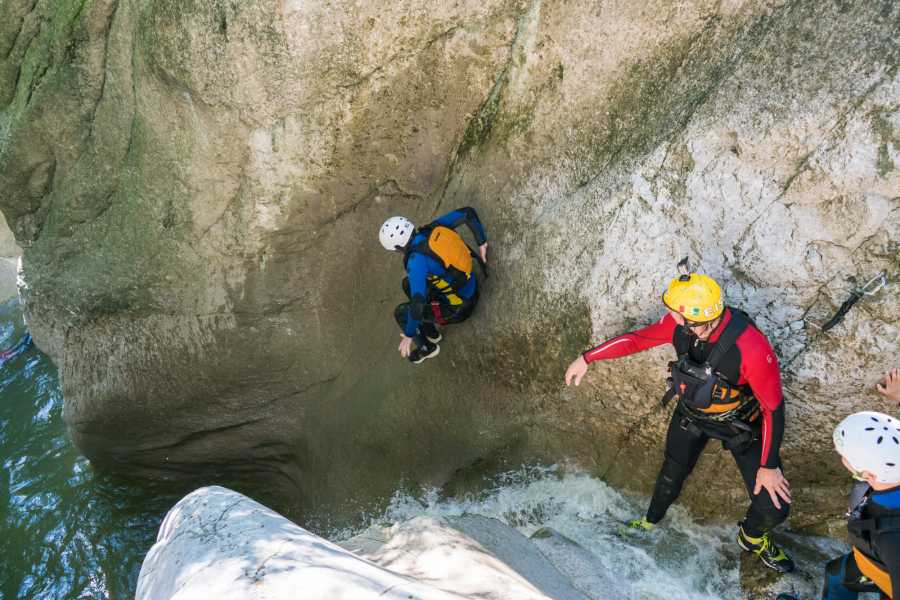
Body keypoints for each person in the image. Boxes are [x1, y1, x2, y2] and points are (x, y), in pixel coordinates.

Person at [564, 267, 795, 572]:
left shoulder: (750, 347)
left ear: (698, 322)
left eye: (676, 314)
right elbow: (637, 340)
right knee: (671, 475)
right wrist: (587, 357)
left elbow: (772, 408)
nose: (670, 318)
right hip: (692, 416)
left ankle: (751, 538)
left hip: (739, 425)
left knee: (774, 507)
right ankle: (650, 521)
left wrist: (768, 466)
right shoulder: (682, 326)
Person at [379, 208, 487, 364]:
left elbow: (417, 305)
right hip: (469, 284)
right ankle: (432, 333)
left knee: (402, 312)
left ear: (397, 248)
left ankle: (427, 348)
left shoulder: (415, 262)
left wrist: (409, 335)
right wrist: (482, 242)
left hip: (459, 309)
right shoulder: (433, 228)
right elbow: (468, 213)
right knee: (408, 284)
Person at [822, 411, 900, 599]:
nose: (841, 457)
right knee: (834, 573)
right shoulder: (886, 479)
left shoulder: (891, 539)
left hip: (886, 574)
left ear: (869, 475)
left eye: (844, 456)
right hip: (874, 559)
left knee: (836, 578)